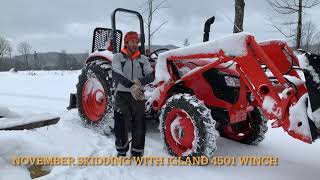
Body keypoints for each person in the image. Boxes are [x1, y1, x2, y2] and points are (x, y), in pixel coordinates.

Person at [112, 31, 154, 157]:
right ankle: (121, 151)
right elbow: (116, 73)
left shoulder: (143, 59)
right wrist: (130, 85)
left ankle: (137, 153)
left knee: (139, 123)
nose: (135, 44)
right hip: (122, 94)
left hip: (138, 94)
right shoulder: (118, 57)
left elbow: (150, 75)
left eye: (137, 42)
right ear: (126, 43)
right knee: (121, 123)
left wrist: (140, 81)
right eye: (132, 42)